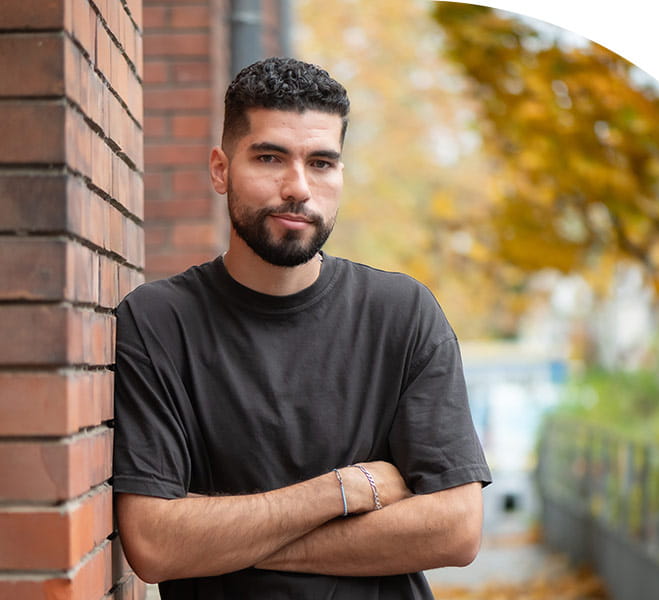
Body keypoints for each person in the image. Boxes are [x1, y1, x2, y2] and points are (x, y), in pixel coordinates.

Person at [112, 56, 492, 599]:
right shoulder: (157, 323)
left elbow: (456, 529)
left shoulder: (402, 314)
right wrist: (344, 490)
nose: (298, 187)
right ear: (221, 169)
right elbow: (154, 544)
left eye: (321, 163)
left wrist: (232, 543)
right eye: (270, 157)